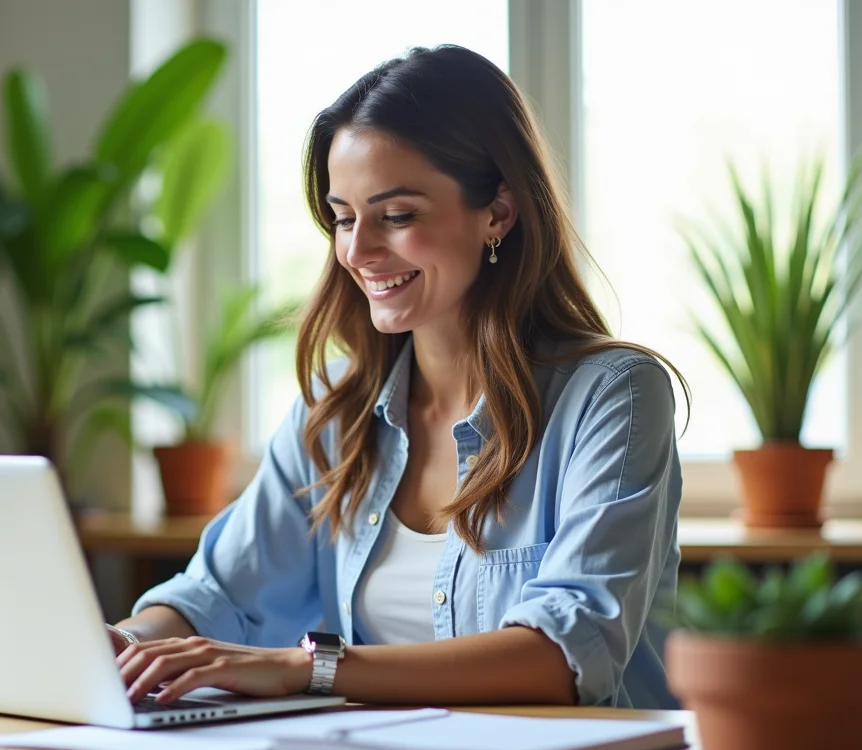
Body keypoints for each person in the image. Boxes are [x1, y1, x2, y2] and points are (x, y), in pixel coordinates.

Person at [108, 45, 686, 711]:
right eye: (344, 217)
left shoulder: (615, 395)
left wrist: (310, 668)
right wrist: (120, 646)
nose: (357, 251)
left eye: (398, 215)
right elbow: (216, 597)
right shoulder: (336, 409)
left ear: (497, 212)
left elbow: (565, 652)